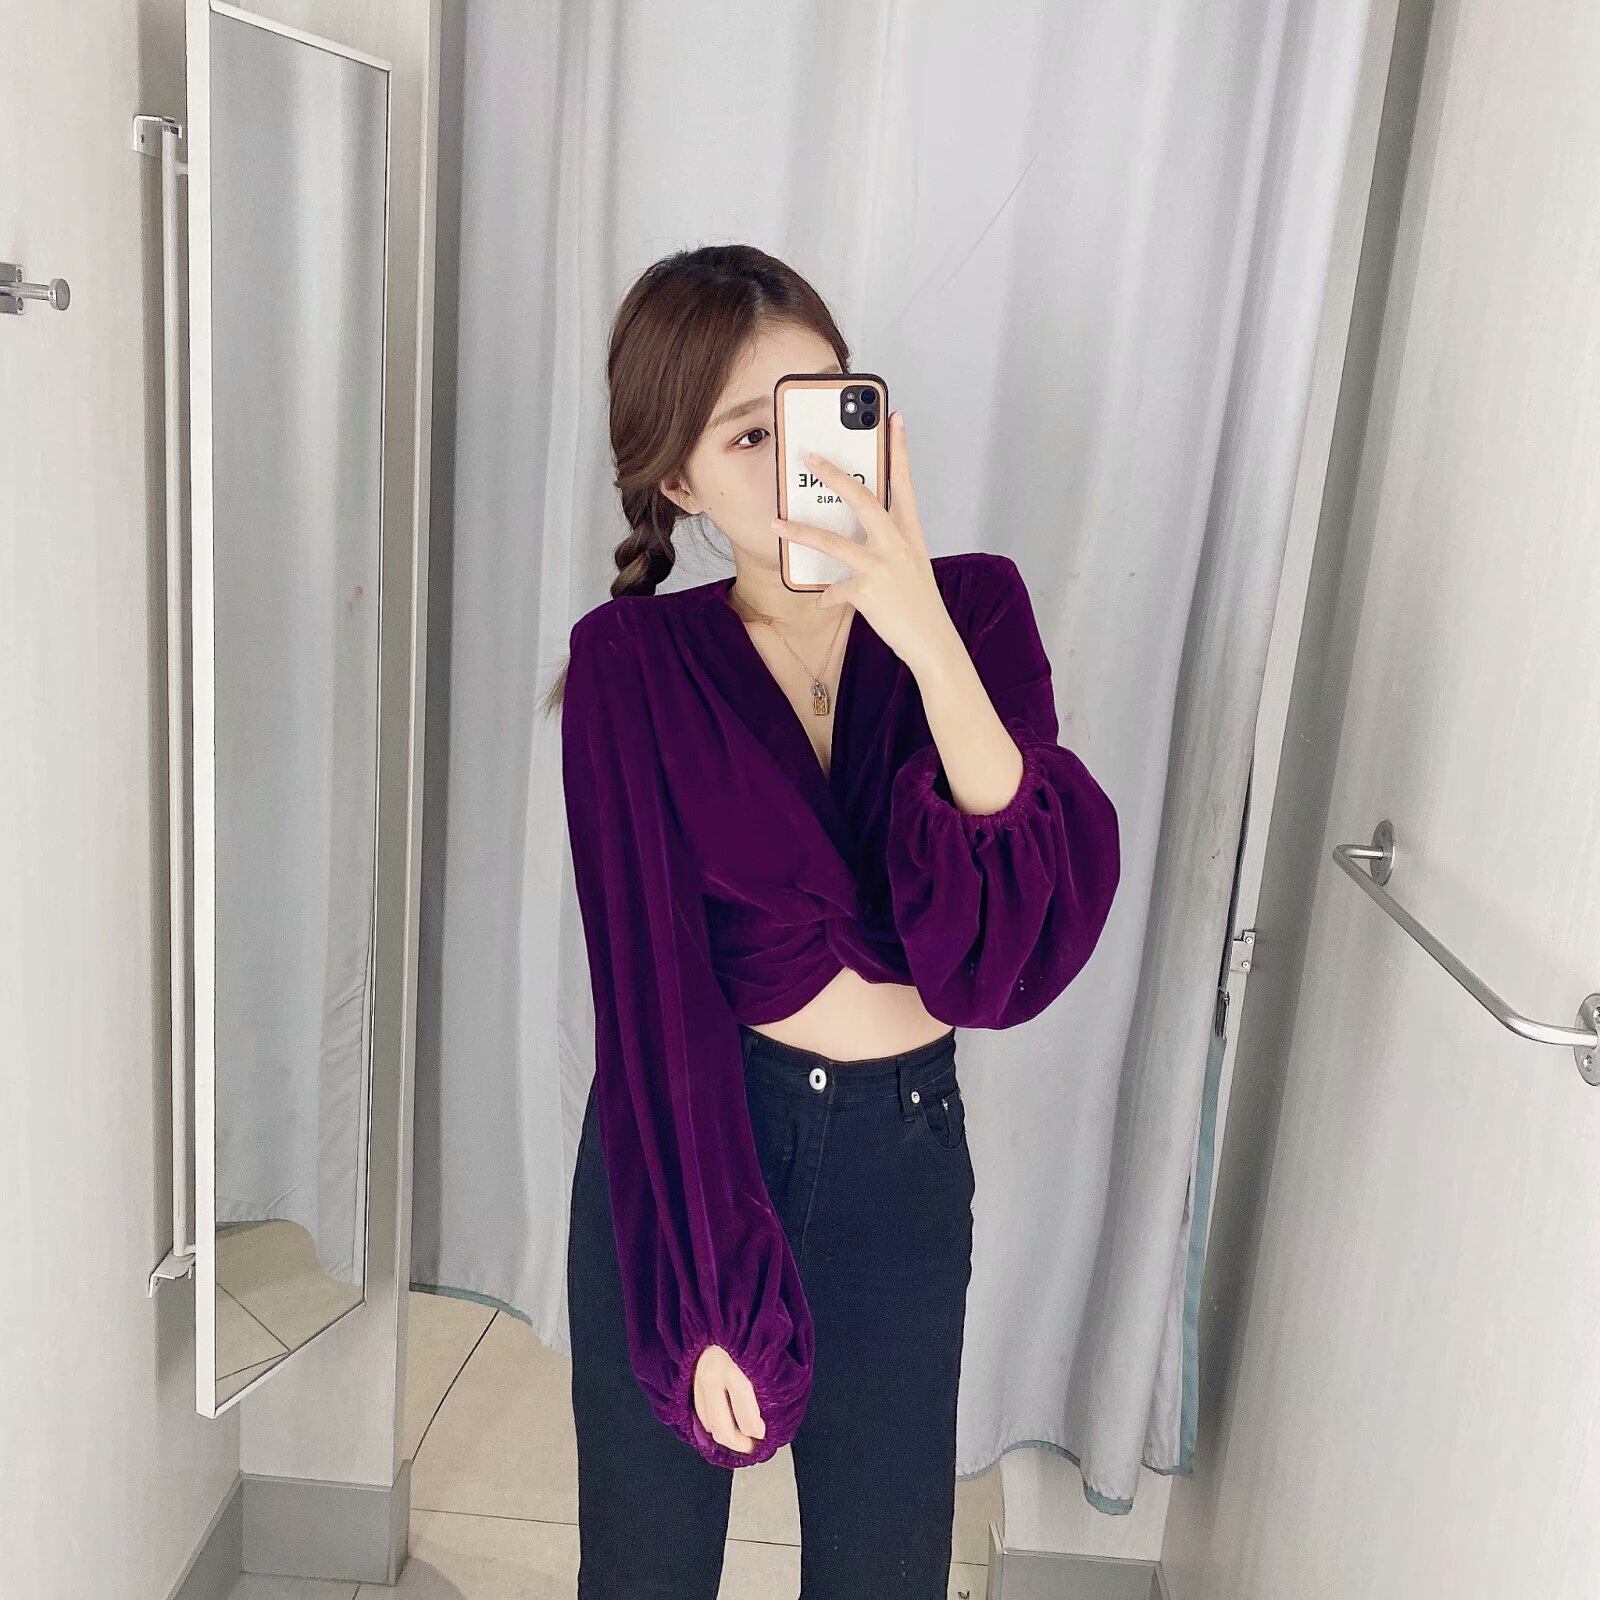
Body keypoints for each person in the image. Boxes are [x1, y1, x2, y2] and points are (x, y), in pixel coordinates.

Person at [551, 243, 1121, 1598]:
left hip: (898, 1161)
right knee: (644, 1570)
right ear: (680, 482)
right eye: (748, 434)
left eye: (820, 409)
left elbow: (1007, 949)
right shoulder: (632, 664)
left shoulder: (973, 609)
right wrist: (702, 1280)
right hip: (691, 1148)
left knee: (884, 1569)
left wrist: (920, 632)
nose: (796, 460)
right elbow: (652, 997)